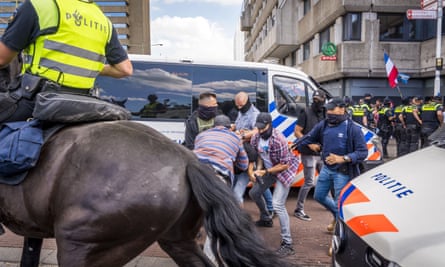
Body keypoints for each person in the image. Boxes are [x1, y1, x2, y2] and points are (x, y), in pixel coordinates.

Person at [0, 0, 133, 123]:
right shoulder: (103, 20)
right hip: (84, 103)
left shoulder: (39, 6)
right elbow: (124, 69)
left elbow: (2, 59)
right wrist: (87, 66)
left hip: (37, 100)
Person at [297, 97, 368, 255]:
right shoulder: (324, 124)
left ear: (342, 109)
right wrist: (297, 144)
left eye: (332, 109)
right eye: (327, 109)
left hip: (342, 173)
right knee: (319, 196)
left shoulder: (353, 129)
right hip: (326, 170)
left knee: (340, 206)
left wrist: (343, 158)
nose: (328, 112)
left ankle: (337, 242)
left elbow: (363, 152)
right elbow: (309, 137)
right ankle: (336, 216)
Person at [193, 114, 249, 264]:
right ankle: (210, 261)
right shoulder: (235, 138)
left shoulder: (201, 135)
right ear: (229, 126)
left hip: (194, 175)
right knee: (215, 220)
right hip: (216, 177)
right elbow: (244, 164)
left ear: (214, 125)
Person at [249, 112, 299, 256]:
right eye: (258, 128)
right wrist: (258, 169)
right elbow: (259, 155)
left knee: (278, 204)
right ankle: (266, 219)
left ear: (269, 125)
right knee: (254, 193)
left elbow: (284, 165)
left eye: (262, 128)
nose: (259, 131)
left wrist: (265, 171)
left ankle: (287, 243)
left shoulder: (279, 140)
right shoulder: (256, 137)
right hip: (268, 170)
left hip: (283, 170)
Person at [231, 91, 274, 216]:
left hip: (252, 154)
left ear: (247, 102)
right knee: (259, 182)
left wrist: (242, 135)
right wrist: (234, 128)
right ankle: (270, 208)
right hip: (243, 152)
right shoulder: (242, 111)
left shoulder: (254, 114)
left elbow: (256, 131)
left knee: (256, 180)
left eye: (241, 106)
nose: (239, 108)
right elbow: (240, 126)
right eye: (237, 106)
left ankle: (270, 209)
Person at [292, 90, 326, 221]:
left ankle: (328, 203)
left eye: (319, 99)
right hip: (308, 153)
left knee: (325, 179)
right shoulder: (305, 112)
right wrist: (309, 143)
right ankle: (298, 209)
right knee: (309, 182)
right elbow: (297, 132)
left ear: (324, 100)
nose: (316, 101)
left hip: (322, 152)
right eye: (315, 99)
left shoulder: (324, 113)